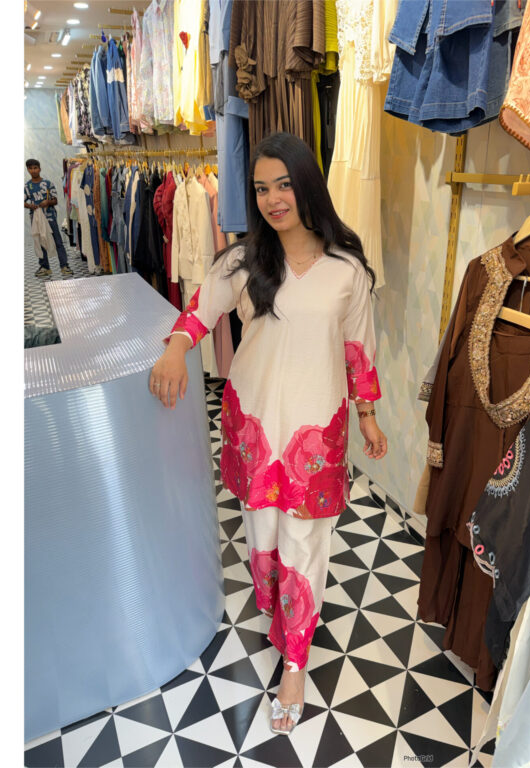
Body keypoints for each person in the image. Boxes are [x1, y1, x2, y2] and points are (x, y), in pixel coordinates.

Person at [149, 132, 387, 735]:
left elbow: (358, 348)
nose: (273, 199)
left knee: (305, 544)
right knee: (262, 539)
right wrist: (176, 348)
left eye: (284, 184)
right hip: (253, 423)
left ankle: (296, 663)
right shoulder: (242, 262)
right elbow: (200, 310)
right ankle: (277, 614)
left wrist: (366, 414)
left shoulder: (347, 270)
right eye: (261, 188)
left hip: (315, 433)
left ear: (307, 185)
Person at [24, 159, 73, 278]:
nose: (33, 170)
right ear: (28, 170)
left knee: (58, 241)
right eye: (30, 168)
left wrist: (48, 202)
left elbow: (55, 201)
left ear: (40, 169)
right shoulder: (27, 186)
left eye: (35, 168)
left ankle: (64, 266)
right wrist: (30, 206)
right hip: (36, 219)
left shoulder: (48, 184)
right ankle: (45, 267)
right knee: (40, 242)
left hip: (50, 217)